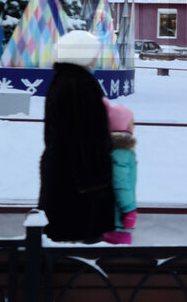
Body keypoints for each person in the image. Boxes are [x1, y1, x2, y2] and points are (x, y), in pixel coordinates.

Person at [38, 31, 115, 242]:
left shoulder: (64, 79)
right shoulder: (78, 84)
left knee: (66, 242)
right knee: (77, 247)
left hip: (66, 174)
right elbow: (82, 136)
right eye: (92, 53)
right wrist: (95, 181)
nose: (95, 58)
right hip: (78, 181)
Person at [102, 100, 138, 245]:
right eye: (132, 123)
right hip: (118, 220)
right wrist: (129, 209)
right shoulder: (121, 151)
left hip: (103, 218)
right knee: (121, 261)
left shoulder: (105, 149)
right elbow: (121, 183)